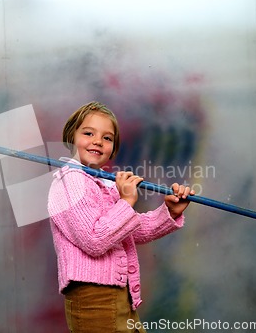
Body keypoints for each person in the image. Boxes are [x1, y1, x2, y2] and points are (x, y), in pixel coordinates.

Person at [48, 101, 194, 333]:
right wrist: (126, 201)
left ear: (113, 148)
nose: (98, 141)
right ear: (70, 137)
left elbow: (128, 231)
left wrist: (169, 212)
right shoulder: (70, 180)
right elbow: (95, 240)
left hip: (120, 296)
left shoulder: (104, 184)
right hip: (94, 298)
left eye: (107, 138)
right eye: (88, 133)